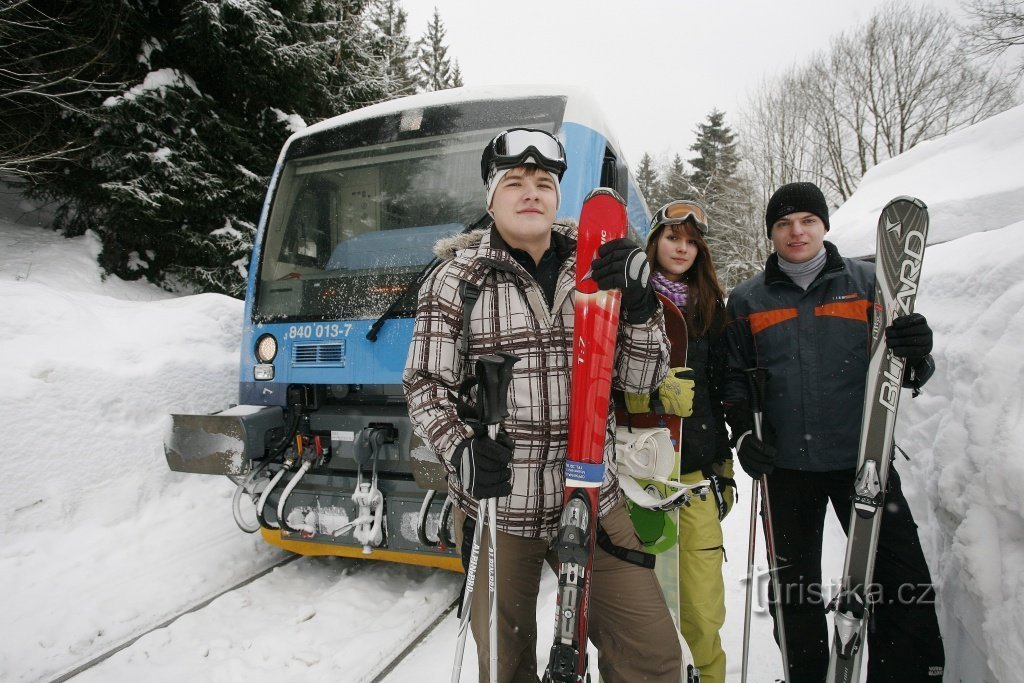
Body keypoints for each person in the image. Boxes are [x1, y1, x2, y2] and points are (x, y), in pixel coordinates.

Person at [403, 127, 683, 682]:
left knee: (651, 656)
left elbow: (641, 379)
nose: (530, 192)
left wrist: (641, 306)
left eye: (543, 182)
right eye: (513, 182)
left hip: (590, 499)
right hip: (499, 509)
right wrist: (460, 449)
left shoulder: (596, 269)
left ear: (557, 196)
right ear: (491, 198)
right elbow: (425, 385)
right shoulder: (457, 281)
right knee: (505, 669)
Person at [722, 181, 945, 682]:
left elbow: (906, 372)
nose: (795, 231)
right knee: (792, 591)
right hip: (787, 471)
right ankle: (808, 674)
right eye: (783, 224)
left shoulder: (870, 284)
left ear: (824, 225)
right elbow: (734, 381)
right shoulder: (747, 299)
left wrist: (916, 352)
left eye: (806, 221)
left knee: (899, 580)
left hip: (861, 461)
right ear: (771, 234)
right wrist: (743, 437)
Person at [627, 200, 736, 683]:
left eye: (692, 241)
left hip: (694, 475)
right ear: (655, 242)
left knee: (701, 605)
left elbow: (720, 389)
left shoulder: (712, 305)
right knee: (640, 607)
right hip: (640, 475)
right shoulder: (630, 300)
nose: (683, 248)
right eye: (674, 237)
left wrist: (725, 466)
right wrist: (647, 394)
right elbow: (603, 384)